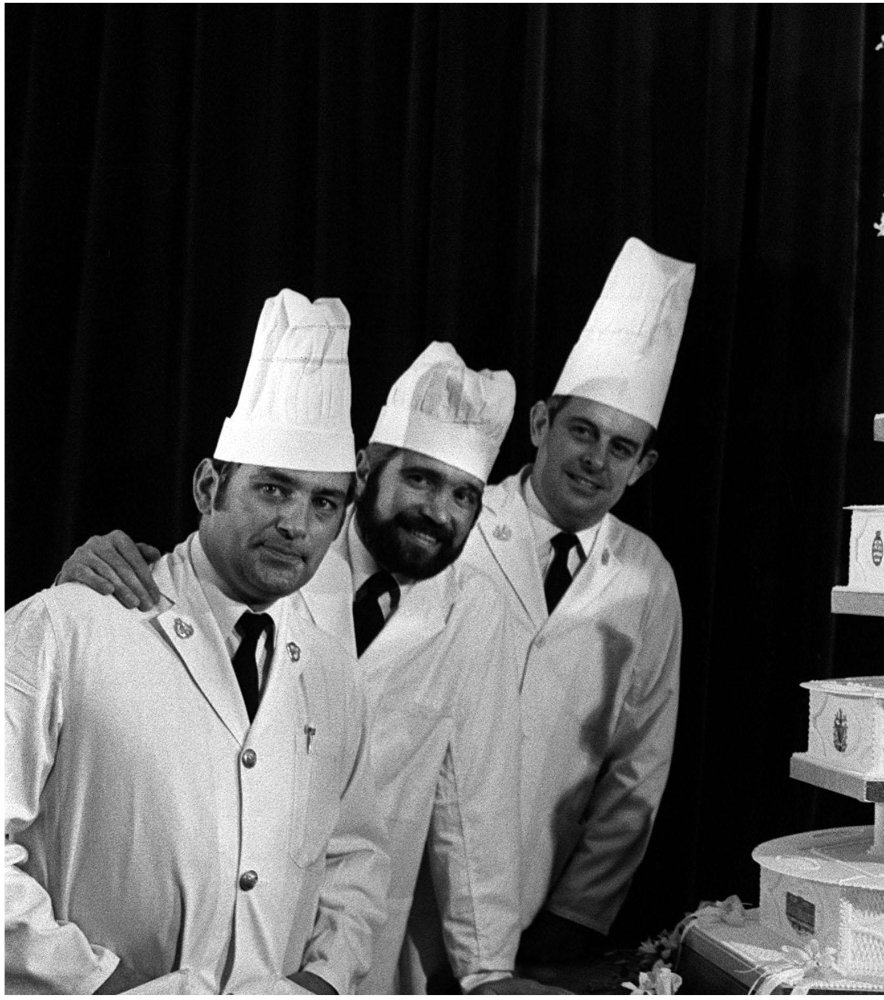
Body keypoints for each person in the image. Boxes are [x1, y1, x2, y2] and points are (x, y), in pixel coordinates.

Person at [55, 343, 566, 994]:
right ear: (365, 469)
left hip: (353, 944)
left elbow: (478, 802)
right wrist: (78, 589)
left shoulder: (476, 610)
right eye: (420, 479)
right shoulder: (273, 553)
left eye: (465, 494)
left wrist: (487, 973)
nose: (439, 513)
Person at [5, 291, 390, 993]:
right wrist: (96, 985)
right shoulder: (68, 625)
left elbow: (355, 860)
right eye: (274, 489)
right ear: (209, 484)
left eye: (324, 502)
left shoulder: (333, 673)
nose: (297, 526)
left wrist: (324, 983)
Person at [458, 236, 693, 969]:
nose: (595, 459)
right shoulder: (455, 530)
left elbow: (637, 768)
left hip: (536, 903)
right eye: (582, 430)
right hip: (393, 879)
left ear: (643, 467)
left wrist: (577, 915)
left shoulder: (646, 578)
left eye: (621, 447)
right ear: (539, 425)